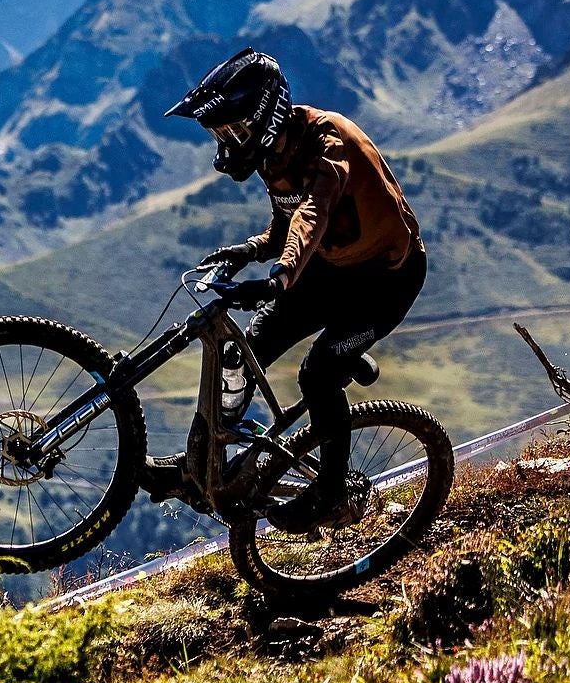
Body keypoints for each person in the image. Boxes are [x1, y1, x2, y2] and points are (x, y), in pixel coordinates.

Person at [145, 48, 427, 527]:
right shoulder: (274, 154)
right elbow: (287, 218)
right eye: (219, 135)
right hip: (327, 269)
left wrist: (280, 276)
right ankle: (203, 461)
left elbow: (314, 212)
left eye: (232, 131)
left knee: (318, 373)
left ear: (264, 118)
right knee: (243, 353)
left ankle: (333, 492)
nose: (227, 144)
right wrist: (252, 249)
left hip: (385, 281)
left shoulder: (329, 145)